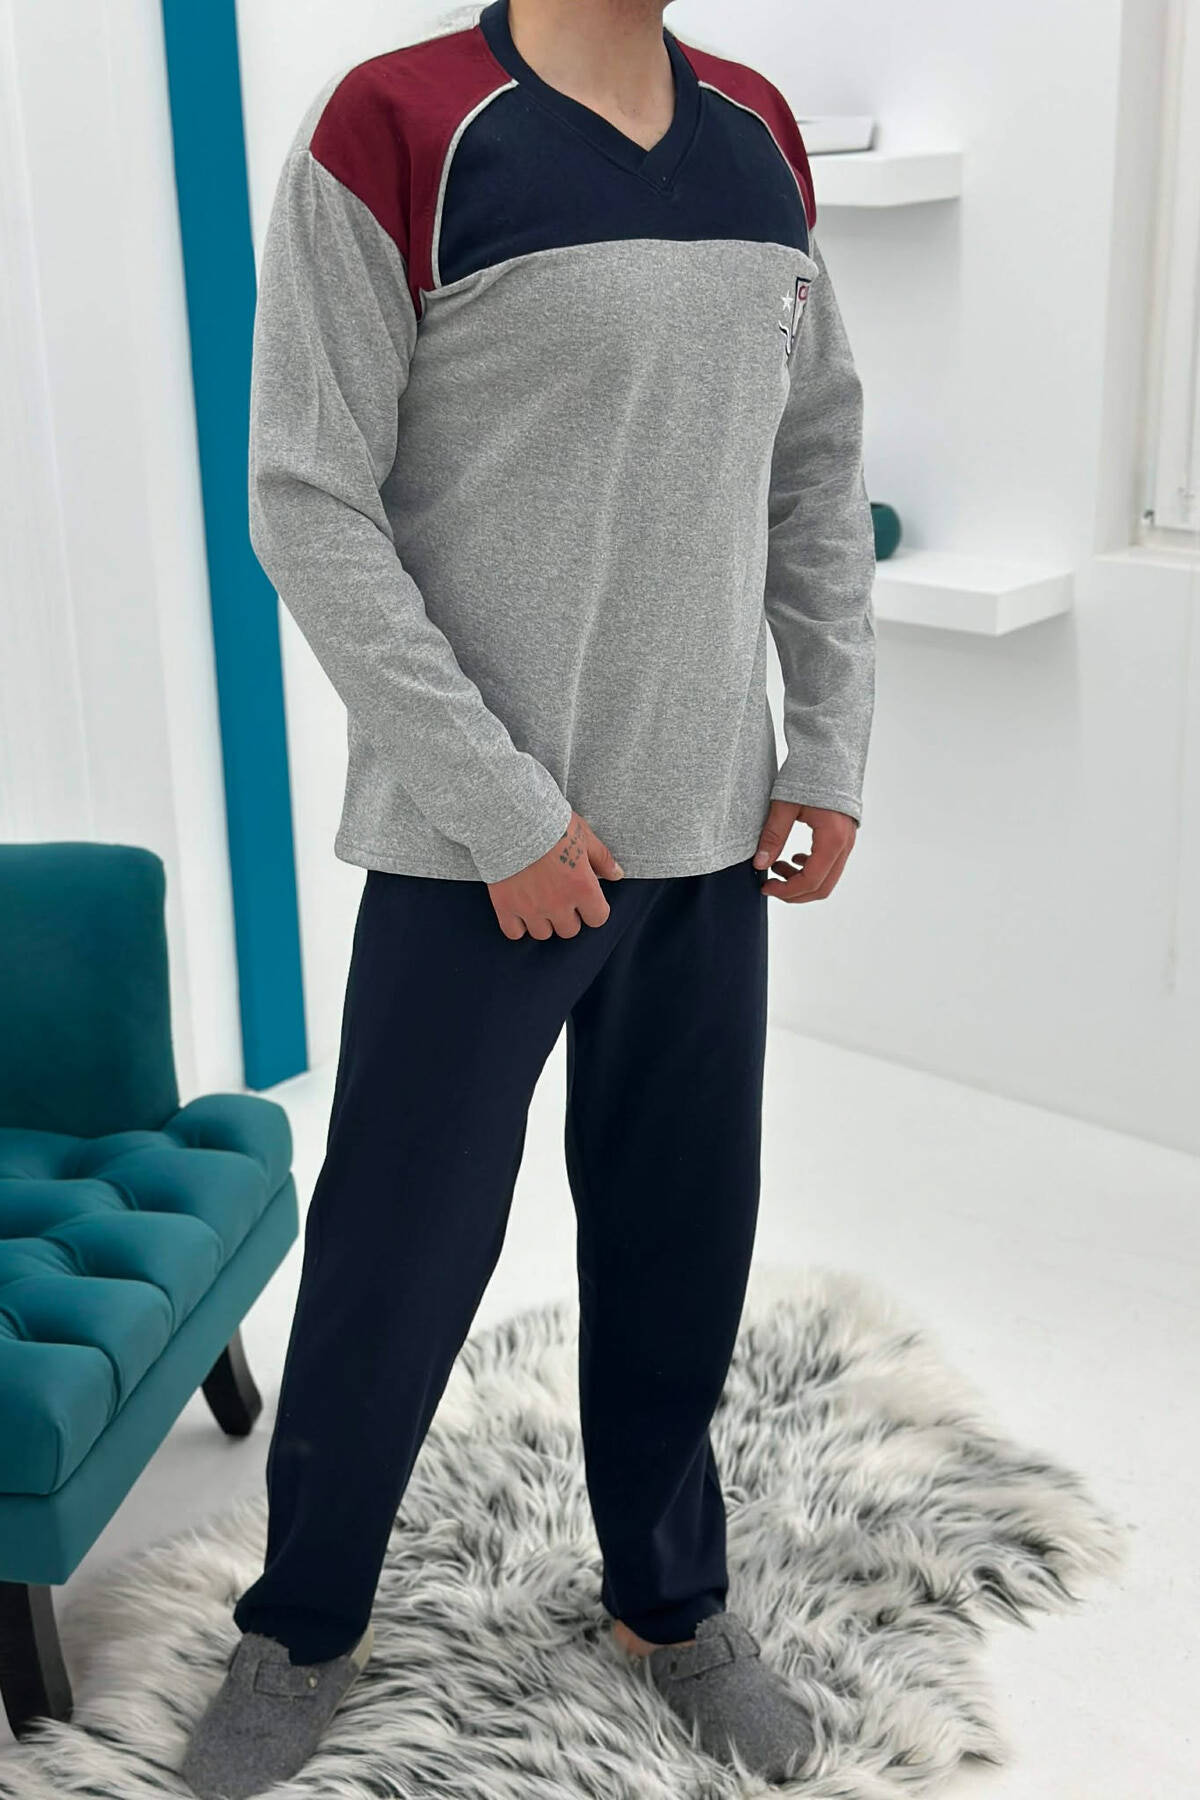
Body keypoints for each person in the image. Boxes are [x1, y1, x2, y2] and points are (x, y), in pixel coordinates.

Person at [181, 0, 875, 1792]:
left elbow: (812, 465)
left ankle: (668, 1603)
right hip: (474, 855)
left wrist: (826, 745)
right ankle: (302, 1625)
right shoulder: (398, 124)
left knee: (679, 1243)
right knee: (396, 1267)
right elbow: (305, 501)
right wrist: (503, 811)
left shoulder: (757, 133)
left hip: (708, 838)